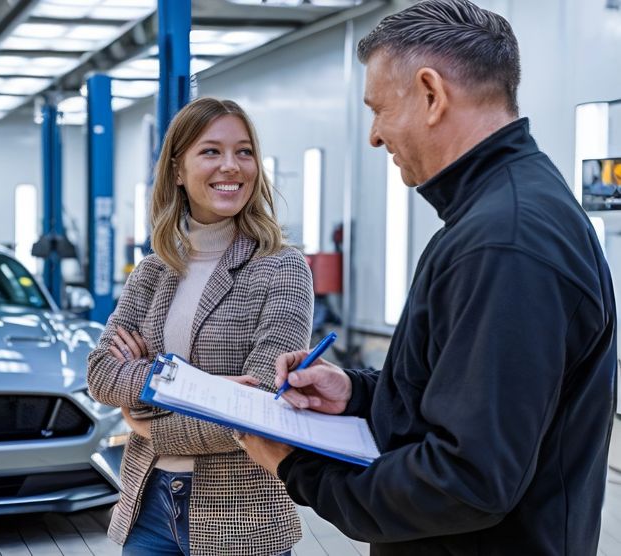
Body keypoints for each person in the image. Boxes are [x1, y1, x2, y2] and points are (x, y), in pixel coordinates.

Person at [236, 1, 618, 554]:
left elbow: (465, 481)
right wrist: (357, 394)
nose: (373, 136)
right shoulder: (501, 212)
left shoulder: (504, 242)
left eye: (380, 110)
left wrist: (303, 472)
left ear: (431, 94)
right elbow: (456, 393)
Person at [87, 97, 313, 555]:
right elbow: (100, 374)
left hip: (242, 515)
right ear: (177, 170)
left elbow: (257, 410)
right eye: (211, 151)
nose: (231, 166)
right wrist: (194, 388)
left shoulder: (282, 268)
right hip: (147, 506)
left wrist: (146, 420)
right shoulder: (154, 271)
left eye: (244, 151)